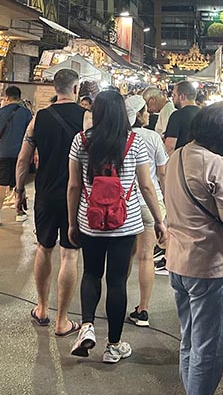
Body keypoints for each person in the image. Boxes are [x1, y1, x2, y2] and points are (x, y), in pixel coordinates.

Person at [67, 90, 166, 364]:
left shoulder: (81, 141)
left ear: (96, 113)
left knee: (91, 274)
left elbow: (74, 185)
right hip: (126, 224)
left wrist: (72, 221)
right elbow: (147, 185)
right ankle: (113, 345)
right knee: (117, 282)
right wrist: (159, 220)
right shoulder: (134, 143)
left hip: (91, 223)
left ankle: (87, 326)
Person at [165, 102, 223, 395]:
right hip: (209, 266)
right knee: (210, 348)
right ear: (222, 140)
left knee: (189, 342)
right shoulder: (216, 165)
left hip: (178, 262)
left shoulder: (177, 157)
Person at [15, 69, 84, 337]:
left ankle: (42, 308)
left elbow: (23, 159)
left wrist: (19, 190)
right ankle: (62, 321)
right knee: (69, 253)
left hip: (44, 192)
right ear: (76, 89)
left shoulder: (38, 118)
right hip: (75, 195)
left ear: (56, 88)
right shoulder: (85, 118)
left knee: (44, 248)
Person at [125, 94, 169, 328]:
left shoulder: (121, 136)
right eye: (144, 111)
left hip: (125, 204)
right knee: (146, 257)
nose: (147, 114)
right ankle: (143, 310)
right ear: (138, 114)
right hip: (150, 204)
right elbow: (161, 173)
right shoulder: (152, 137)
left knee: (124, 257)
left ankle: (118, 301)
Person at [0, 86, 32, 226]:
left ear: (7, 97)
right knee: (19, 184)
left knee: (1, 183)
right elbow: (31, 134)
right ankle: (19, 212)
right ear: (19, 97)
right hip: (21, 154)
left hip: (4, 153)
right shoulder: (26, 113)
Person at [164, 81, 202, 154]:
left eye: (174, 95)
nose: (173, 99)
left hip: (182, 161)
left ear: (182, 97)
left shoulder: (177, 116)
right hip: (201, 161)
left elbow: (170, 147)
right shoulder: (205, 114)